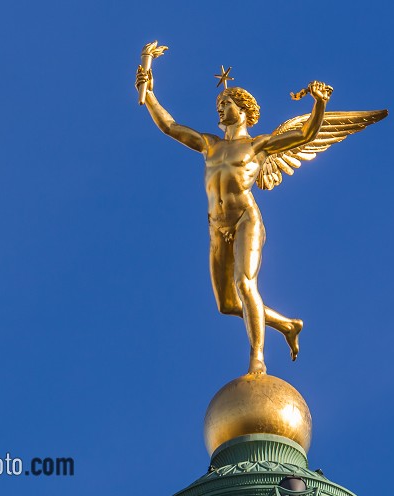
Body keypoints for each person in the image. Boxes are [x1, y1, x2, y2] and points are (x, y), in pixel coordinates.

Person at [135, 68, 333, 374]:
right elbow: (170, 126)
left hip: (245, 219)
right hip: (216, 225)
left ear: (243, 111)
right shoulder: (209, 144)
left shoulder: (258, 146)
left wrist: (318, 103)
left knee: (244, 282)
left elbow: (307, 134)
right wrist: (148, 94)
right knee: (227, 304)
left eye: (226, 102)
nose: (220, 107)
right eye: (219, 104)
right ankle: (288, 325)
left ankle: (257, 359)